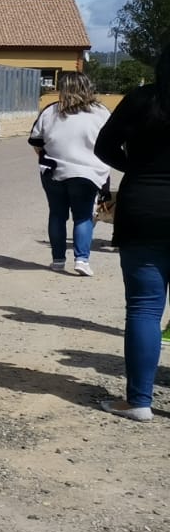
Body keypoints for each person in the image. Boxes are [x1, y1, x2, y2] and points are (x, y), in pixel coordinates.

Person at [93, 54, 170, 422]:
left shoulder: (141, 100)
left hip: (144, 207)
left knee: (144, 308)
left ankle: (139, 402)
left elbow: (104, 148)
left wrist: (138, 168)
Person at [24, 72, 110, 277]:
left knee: (57, 214)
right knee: (82, 216)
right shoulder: (101, 113)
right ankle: (81, 260)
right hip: (88, 173)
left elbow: (36, 142)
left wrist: (47, 157)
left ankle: (58, 260)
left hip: (53, 171)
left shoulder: (51, 111)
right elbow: (110, 142)